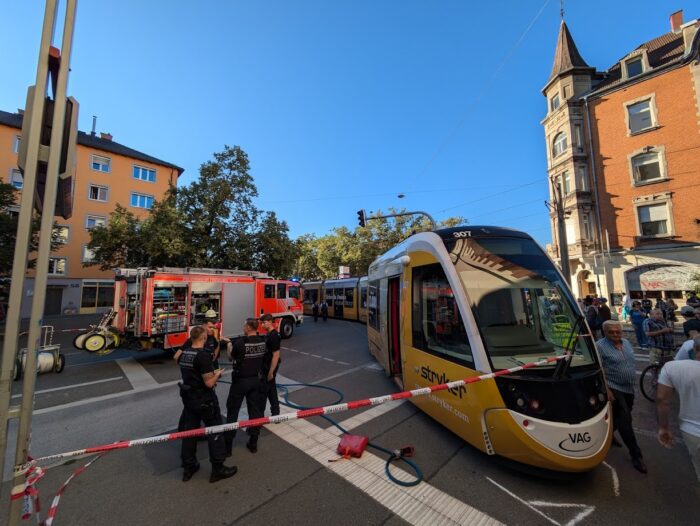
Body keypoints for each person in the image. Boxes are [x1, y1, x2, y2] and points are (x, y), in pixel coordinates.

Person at [176, 326, 237, 483]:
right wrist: (217, 374)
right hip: (204, 399)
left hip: (189, 399)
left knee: (189, 433)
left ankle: (188, 467)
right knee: (215, 431)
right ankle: (218, 468)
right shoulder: (202, 356)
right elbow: (209, 383)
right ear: (203, 338)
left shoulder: (184, 353)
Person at [597, 320, 648, 473]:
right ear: (604, 332)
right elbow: (598, 369)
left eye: (617, 332)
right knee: (625, 419)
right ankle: (636, 455)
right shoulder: (599, 346)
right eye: (611, 332)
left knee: (622, 416)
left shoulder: (626, 342)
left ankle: (610, 435)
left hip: (629, 388)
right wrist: (607, 389)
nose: (615, 334)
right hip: (613, 387)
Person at [657, 336, 700, 482]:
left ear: (694, 349)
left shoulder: (672, 367)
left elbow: (662, 400)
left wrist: (664, 428)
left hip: (692, 432)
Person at [225, 319, 267, 455]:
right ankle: (253, 443)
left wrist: (229, 345)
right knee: (255, 412)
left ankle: (228, 447)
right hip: (255, 380)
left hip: (240, 382)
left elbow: (231, 357)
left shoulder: (240, 343)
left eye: (244, 325)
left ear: (248, 328)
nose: (243, 327)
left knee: (232, 411)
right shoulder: (262, 341)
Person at [260, 313, 282, 417]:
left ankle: (272, 413)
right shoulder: (269, 334)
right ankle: (275, 413)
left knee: (267, 390)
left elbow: (276, 355)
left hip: (269, 367)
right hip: (266, 365)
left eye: (263, 323)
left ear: (269, 321)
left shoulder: (273, 336)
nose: (262, 325)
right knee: (271, 389)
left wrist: (271, 372)